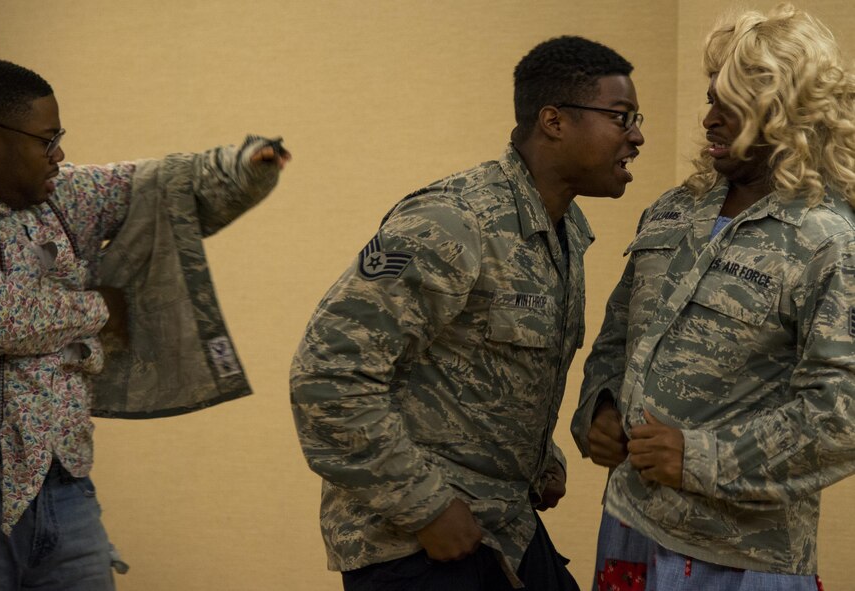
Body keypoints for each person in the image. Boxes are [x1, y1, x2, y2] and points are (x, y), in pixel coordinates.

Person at [290, 35, 644, 591]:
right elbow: (326, 377)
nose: (637, 135)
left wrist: (536, 455)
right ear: (554, 121)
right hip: (414, 542)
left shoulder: (565, 232)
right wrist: (426, 508)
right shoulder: (451, 221)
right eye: (622, 117)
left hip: (504, 523)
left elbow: (474, 365)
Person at [0, 58, 290, 590]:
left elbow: (159, 185)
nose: (60, 155)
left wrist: (241, 165)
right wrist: (100, 310)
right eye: (47, 140)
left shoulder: (65, 195)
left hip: (66, 479)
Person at [571, 4, 855, 590]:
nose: (708, 120)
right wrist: (598, 407)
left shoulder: (829, 239)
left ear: (786, 109)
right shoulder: (675, 209)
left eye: (729, 105)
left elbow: (841, 415)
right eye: (710, 100)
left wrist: (701, 459)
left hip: (741, 555)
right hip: (630, 523)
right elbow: (619, 335)